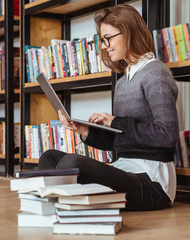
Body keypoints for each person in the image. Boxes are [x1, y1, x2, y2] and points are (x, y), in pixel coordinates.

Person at [38, 4, 179, 211]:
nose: (104, 46)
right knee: (49, 157)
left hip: (153, 182)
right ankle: (66, 201)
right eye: (103, 40)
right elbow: (121, 142)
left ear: (129, 32)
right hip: (124, 168)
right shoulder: (123, 82)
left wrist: (115, 122)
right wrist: (86, 131)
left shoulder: (156, 73)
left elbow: (167, 135)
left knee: (70, 164)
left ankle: (65, 200)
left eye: (108, 38)